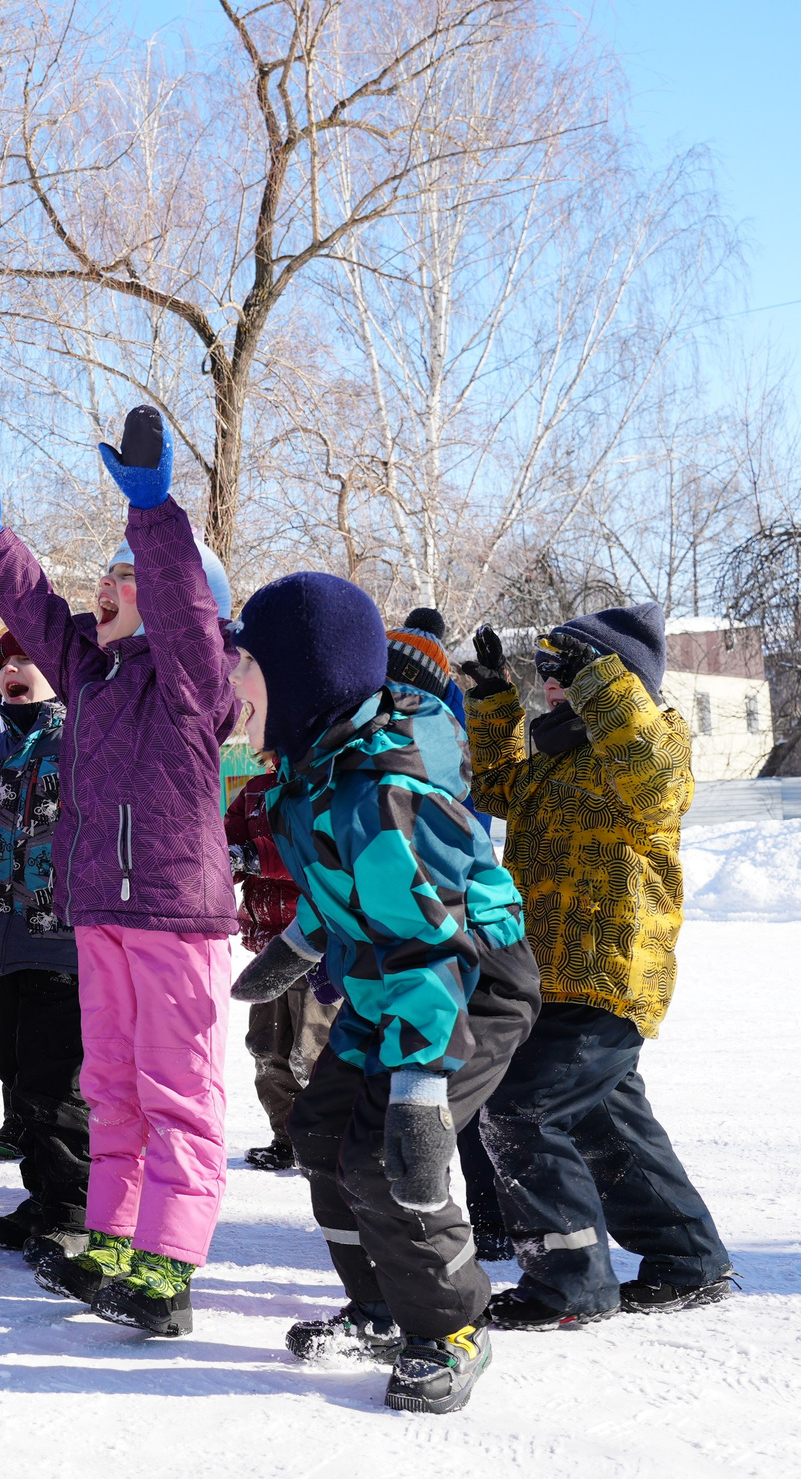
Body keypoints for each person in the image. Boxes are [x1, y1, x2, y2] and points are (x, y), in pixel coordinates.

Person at [0, 406, 238, 1339]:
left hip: (172, 910)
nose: (105, 588)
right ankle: (114, 1234)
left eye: (124, 576)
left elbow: (186, 605)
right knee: (110, 1083)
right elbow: (34, 612)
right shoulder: (95, 678)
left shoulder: (194, 682)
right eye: (107, 573)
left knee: (177, 1086)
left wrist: (152, 517)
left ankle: (172, 1261)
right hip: (99, 913)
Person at [227, 570, 540, 1415]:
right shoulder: (310, 773)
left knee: (390, 1155)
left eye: (244, 668)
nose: (231, 687)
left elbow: (428, 940)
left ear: (298, 678)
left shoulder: (377, 791)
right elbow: (353, 894)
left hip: (465, 982)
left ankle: (450, 1328)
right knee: (320, 1130)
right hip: (387, 968)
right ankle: (378, 1308)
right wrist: (301, 942)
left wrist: (420, 1090)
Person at [464, 606, 737, 1327]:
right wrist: (492, 695)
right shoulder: (552, 759)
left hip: (611, 973)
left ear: (614, 679)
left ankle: (571, 1279)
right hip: (547, 976)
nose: (549, 683)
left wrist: (604, 684)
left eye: (567, 670)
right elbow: (493, 783)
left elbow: (653, 779)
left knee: (520, 1106)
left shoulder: (652, 748)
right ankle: (688, 1257)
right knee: (606, 1124)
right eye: (544, 670)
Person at [0, 629, 88, 1264]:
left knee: (58, 1083)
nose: (14, 672)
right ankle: (43, 1193)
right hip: (3, 935)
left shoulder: (82, 740)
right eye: (6, 663)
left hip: (63, 942)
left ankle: (74, 1208)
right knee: (17, 1075)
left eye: (31, 660)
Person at [381, 606, 507, 1257]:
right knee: (449, 1082)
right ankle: (478, 1217)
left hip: (447, 912)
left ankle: (466, 1222)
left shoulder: (426, 724)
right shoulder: (437, 713)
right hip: (456, 908)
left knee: (439, 1080)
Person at [224, 765, 335, 1172]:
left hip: (314, 942)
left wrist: (257, 856)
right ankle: (286, 1138)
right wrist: (225, 860)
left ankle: (326, 1139)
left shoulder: (321, 784)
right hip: (268, 945)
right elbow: (226, 842)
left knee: (312, 1049)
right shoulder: (255, 789)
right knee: (268, 1047)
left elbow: (318, 855)